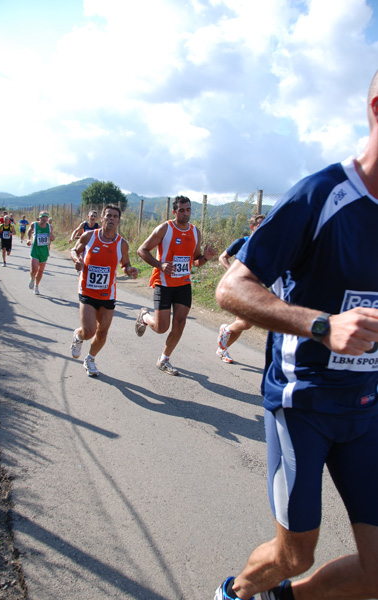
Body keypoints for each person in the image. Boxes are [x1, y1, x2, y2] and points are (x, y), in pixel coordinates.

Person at [213, 70, 378, 600]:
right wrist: (322, 325)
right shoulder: (323, 194)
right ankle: (235, 593)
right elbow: (232, 289)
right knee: (294, 553)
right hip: (302, 404)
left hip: (368, 411)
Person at [135, 195, 215, 375]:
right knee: (162, 328)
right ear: (174, 211)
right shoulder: (165, 228)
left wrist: (205, 258)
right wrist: (160, 265)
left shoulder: (195, 232)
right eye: (182, 210)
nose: (186, 213)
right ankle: (145, 316)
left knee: (179, 323)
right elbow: (142, 250)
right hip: (163, 283)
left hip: (183, 284)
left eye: (188, 210)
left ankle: (164, 359)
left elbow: (195, 262)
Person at [70, 204, 138, 377]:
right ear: (102, 218)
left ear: (118, 221)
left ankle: (90, 359)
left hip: (108, 294)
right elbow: (74, 250)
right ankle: (78, 336)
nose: (111, 219)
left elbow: (125, 264)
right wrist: (77, 259)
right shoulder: (89, 236)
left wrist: (129, 270)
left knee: (102, 332)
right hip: (87, 290)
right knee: (89, 331)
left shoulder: (122, 243)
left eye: (115, 216)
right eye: (108, 215)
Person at [216, 214, 265, 363]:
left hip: (255, 288)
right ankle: (225, 330)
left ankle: (222, 349)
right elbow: (222, 257)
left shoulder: (266, 245)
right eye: (260, 226)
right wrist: (232, 273)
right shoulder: (242, 242)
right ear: (252, 227)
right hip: (239, 286)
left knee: (242, 324)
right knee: (246, 322)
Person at [26, 212, 55, 295]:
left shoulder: (50, 227)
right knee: (34, 270)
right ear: (39, 217)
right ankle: (32, 279)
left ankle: (36, 286)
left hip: (44, 251)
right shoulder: (34, 225)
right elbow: (29, 231)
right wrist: (28, 239)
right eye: (43, 217)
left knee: (40, 271)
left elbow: (52, 237)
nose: (45, 218)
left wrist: (52, 237)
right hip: (35, 250)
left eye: (46, 217)